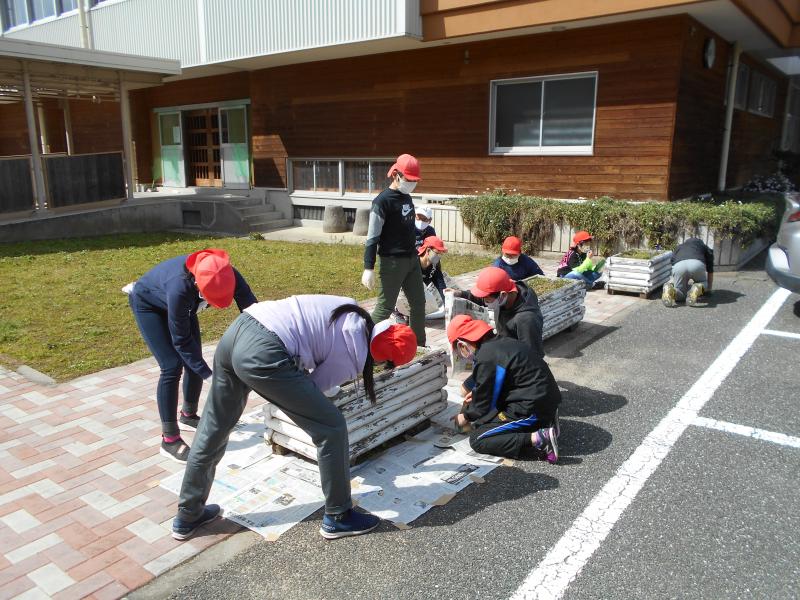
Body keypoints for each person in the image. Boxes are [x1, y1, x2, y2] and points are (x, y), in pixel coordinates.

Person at [171, 296, 418, 541]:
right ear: (382, 358)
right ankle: (339, 516)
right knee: (331, 427)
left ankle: (188, 514)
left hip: (239, 330)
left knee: (214, 428)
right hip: (263, 351)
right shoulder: (354, 354)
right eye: (385, 365)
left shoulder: (351, 311)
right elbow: (312, 390)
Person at [128, 249, 257, 463]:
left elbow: (252, 311)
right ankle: (169, 440)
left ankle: (188, 415)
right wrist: (210, 376)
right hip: (149, 305)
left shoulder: (227, 273)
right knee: (171, 366)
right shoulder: (179, 288)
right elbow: (181, 342)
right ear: (197, 284)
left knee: (194, 359)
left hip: (183, 306)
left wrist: (262, 345)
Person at [447, 315, 561, 462]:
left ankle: (539, 438)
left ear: (462, 345)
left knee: (478, 439)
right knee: (487, 420)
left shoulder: (486, 357)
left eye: (458, 351)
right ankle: (546, 421)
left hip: (533, 407)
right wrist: (477, 395)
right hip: (545, 398)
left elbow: (484, 405)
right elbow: (496, 385)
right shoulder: (500, 343)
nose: (461, 355)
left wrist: (465, 416)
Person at [362, 153, 427, 346]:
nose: (412, 184)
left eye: (415, 181)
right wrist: (368, 267)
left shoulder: (406, 197)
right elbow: (372, 236)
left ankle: (418, 345)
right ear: (396, 175)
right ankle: (363, 344)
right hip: (392, 262)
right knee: (385, 307)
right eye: (409, 179)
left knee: (418, 304)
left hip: (412, 260)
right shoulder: (382, 202)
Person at [449, 266, 544, 359]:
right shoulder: (508, 292)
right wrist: (461, 294)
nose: (485, 302)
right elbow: (484, 298)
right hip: (504, 345)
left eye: (487, 300)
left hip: (514, 358)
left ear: (503, 295)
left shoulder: (526, 320)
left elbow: (533, 356)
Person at [396, 236, 449, 320]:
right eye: (438, 253)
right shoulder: (412, 261)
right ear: (428, 251)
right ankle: (398, 311)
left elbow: (441, 285)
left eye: (441, 254)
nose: (439, 256)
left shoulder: (435, 264)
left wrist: (448, 304)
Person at [662, 237, 714, 307]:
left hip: (679, 266)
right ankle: (697, 287)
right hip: (696, 265)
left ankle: (670, 290)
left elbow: (673, 262)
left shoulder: (679, 247)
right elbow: (710, 270)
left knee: (680, 294)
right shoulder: (704, 247)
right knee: (703, 283)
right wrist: (708, 288)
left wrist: (674, 280)